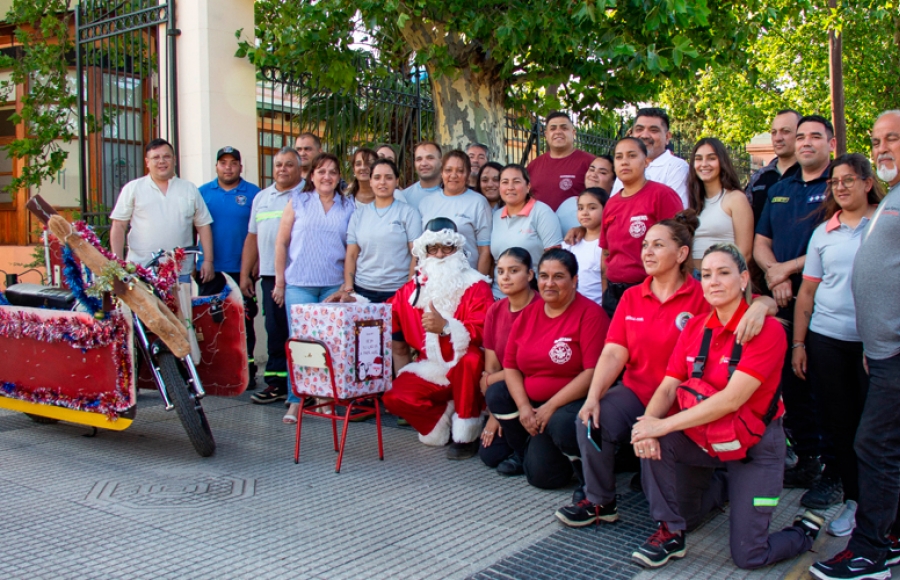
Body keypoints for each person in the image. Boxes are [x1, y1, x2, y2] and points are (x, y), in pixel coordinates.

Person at [556, 215, 771, 527]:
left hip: (684, 403)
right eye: (645, 245)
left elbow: (751, 303)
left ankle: (718, 483)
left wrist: (763, 307)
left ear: (682, 254)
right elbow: (614, 352)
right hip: (636, 393)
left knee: (686, 511)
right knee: (590, 420)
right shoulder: (631, 296)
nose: (648, 252)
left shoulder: (704, 294)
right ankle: (599, 500)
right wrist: (592, 398)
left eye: (658, 245)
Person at [630, 242, 823, 570]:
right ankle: (672, 530)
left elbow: (733, 398)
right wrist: (648, 424)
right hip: (706, 439)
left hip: (754, 447)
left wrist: (660, 425)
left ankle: (804, 530)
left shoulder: (767, 330)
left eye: (724, 273)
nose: (714, 281)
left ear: (744, 279)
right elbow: (669, 385)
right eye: (706, 275)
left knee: (749, 556)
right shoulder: (694, 327)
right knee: (657, 448)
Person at [810, 110, 900, 580]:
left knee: (874, 445)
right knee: (880, 444)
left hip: (894, 353)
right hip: (879, 348)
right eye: (877, 140)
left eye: (894, 139)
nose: (884, 147)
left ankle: (870, 553)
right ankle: (892, 535)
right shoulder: (895, 198)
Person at [792, 154, 883, 537]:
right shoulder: (823, 233)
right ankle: (856, 501)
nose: (841, 186)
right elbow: (807, 293)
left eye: (849, 179)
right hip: (827, 340)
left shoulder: (885, 223)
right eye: (835, 181)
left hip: (875, 344)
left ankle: (883, 509)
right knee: (841, 426)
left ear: (867, 182)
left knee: (875, 431)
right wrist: (798, 343)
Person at [753, 114, 835, 498]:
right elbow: (760, 242)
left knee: (826, 383)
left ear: (830, 145)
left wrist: (786, 269)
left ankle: (835, 471)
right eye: (800, 137)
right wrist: (775, 275)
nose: (805, 143)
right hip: (784, 297)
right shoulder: (780, 188)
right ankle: (806, 460)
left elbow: (838, 237)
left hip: (827, 300)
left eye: (814, 137)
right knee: (793, 382)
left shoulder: (839, 185)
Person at [486, 248, 609, 490]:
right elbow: (510, 366)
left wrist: (550, 407)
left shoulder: (591, 315)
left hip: (570, 403)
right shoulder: (529, 314)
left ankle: (587, 472)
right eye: (544, 276)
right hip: (534, 405)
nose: (549, 283)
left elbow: (592, 372)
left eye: (558, 277)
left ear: (574, 280)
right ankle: (526, 450)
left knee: (554, 446)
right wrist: (524, 408)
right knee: (498, 393)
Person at [382, 218, 494, 460]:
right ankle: (443, 416)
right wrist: (353, 302)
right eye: (433, 249)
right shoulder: (413, 289)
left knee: (471, 360)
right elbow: (383, 314)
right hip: (431, 366)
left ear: (457, 250)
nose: (441, 254)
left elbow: (484, 330)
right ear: (425, 252)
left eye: (447, 247)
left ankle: (466, 434)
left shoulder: (476, 284)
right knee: (394, 398)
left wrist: (446, 328)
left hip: (467, 367)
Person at [109, 138, 214, 362]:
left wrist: (208, 261)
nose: (161, 161)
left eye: (166, 156)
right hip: (140, 271)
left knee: (181, 322)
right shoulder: (134, 188)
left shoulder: (188, 189)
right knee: (138, 322)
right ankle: (137, 373)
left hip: (179, 273)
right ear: (147, 162)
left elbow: (203, 226)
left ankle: (184, 373)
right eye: (156, 157)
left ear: (174, 159)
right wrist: (117, 263)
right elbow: (118, 226)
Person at [273, 152, 355, 424]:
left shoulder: (348, 205)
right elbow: (281, 242)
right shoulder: (298, 201)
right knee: (299, 345)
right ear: (311, 175)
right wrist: (279, 282)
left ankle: (325, 400)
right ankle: (296, 401)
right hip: (299, 284)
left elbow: (351, 248)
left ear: (339, 177)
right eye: (321, 171)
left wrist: (346, 285)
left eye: (332, 172)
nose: (327, 176)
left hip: (332, 284)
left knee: (329, 346)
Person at [241, 147, 304, 404]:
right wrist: (246, 273)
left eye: (289, 164)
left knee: (299, 332)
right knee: (275, 330)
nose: (282, 169)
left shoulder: (307, 194)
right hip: (268, 275)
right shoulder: (261, 197)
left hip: (300, 276)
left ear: (299, 169)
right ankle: (276, 383)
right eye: (278, 164)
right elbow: (253, 237)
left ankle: (303, 387)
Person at [196, 146, 261, 385]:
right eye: (223, 162)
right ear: (216, 166)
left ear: (240, 166)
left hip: (242, 269)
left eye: (233, 162)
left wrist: (259, 262)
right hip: (210, 270)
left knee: (243, 321)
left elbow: (261, 232)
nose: (228, 167)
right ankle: (211, 371)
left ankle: (246, 372)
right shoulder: (202, 193)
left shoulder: (254, 194)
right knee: (209, 321)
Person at [600, 137, 683, 317]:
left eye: (631, 156)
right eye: (619, 157)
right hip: (614, 295)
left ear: (646, 162)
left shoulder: (662, 195)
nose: (625, 162)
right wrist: (606, 290)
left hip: (649, 290)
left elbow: (679, 246)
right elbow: (606, 252)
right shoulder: (611, 204)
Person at [479, 247, 541, 473]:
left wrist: (492, 381)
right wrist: (495, 415)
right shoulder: (495, 310)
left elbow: (530, 367)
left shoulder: (542, 308)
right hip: (504, 393)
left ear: (530, 274)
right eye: (501, 271)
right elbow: (491, 368)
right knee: (489, 455)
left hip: (535, 391)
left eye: (514, 270)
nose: (505, 277)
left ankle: (526, 452)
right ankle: (522, 446)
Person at [340, 159, 422, 303]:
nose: (382, 182)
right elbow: (351, 255)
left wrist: (409, 289)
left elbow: (416, 254)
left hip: (397, 292)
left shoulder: (409, 213)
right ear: (370, 181)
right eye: (377, 177)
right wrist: (349, 289)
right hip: (362, 291)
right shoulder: (358, 215)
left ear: (396, 181)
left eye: (388, 177)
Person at [489, 164, 563, 298]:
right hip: (498, 295)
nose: (510, 187)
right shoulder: (495, 216)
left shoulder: (541, 212)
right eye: (505, 182)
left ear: (528, 186)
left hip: (531, 295)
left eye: (516, 182)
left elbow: (554, 257)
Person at [419, 150, 493, 276]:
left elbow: (484, 251)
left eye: (460, 171)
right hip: (433, 280)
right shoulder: (426, 203)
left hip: (467, 279)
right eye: (448, 170)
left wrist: (479, 283)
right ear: (441, 173)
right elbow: (420, 248)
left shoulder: (478, 202)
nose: (454, 175)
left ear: (468, 174)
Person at [688, 138, 754, 273]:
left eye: (711, 158)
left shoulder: (735, 199)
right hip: (692, 279)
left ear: (722, 162)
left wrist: (722, 277)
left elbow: (745, 253)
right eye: (699, 159)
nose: (704, 164)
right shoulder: (693, 202)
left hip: (722, 278)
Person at [612, 108, 689, 208]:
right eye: (639, 130)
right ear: (632, 134)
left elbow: (676, 217)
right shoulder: (626, 167)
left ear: (667, 137)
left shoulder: (677, 167)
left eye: (653, 130)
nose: (644, 135)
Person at [526, 112, 595, 211]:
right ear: (546, 134)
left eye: (564, 128)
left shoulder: (590, 162)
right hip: (540, 225)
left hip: (577, 225)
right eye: (553, 128)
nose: (558, 132)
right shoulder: (533, 165)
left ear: (573, 133)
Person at [745, 110, 802, 226]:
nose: (778, 138)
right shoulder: (758, 178)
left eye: (785, 131)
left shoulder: (809, 174)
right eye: (774, 132)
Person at [561, 188, 606, 305]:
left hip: (598, 310)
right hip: (572, 309)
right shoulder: (570, 243)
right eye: (580, 208)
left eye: (592, 208)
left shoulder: (606, 245)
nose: (585, 212)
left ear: (606, 210)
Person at [558, 155, 614, 232]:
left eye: (602, 172)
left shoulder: (615, 209)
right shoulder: (568, 204)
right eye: (591, 170)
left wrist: (583, 230)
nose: (593, 175)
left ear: (614, 181)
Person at [401, 141, 443, 211]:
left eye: (430, 158)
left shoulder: (453, 193)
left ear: (441, 161)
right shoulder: (404, 198)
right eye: (419, 159)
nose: (423, 163)